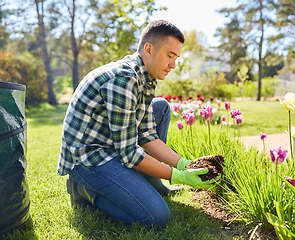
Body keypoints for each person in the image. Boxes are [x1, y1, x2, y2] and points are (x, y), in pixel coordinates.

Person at [57, 20, 216, 228]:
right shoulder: (123, 80)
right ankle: (86, 191)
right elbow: (129, 153)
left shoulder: (145, 77)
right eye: (170, 56)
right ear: (149, 49)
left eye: (176, 58)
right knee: (155, 217)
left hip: (110, 145)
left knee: (161, 107)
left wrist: (183, 164)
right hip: (88, 158)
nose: (174, 65)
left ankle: (151, 183)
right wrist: (178, 176)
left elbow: (147, 136)